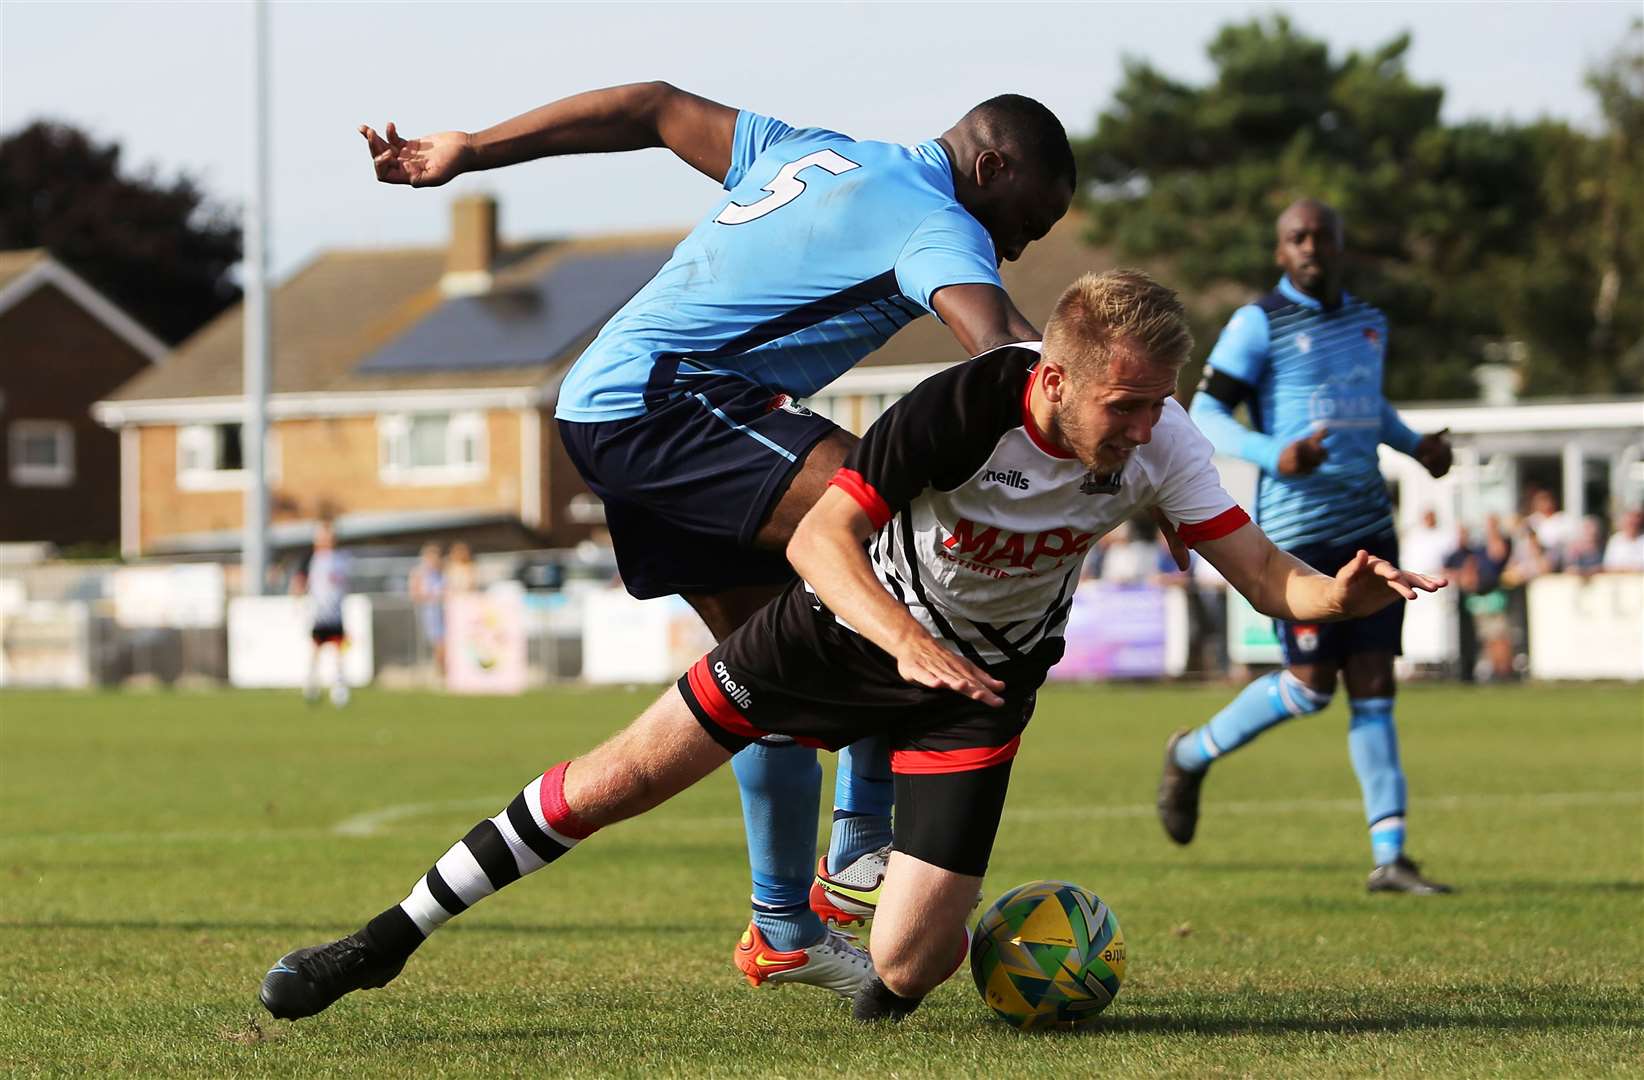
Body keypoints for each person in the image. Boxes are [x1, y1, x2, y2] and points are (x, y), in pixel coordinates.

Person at [258, 270, 1445, 1025]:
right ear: (1055, 379)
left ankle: (851, 942)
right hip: (835, 632)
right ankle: (379, 943)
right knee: (620, 777)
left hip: (974, 696)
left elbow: (1261, 573)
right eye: (1122, 407)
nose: (1142, 431)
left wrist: (1333, 596)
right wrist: (901, 641)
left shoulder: (1165, 443)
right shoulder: (963, 405)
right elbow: (826, 544)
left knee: (911, 968)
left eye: (1156, 405)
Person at [358, 83, 1092, 989]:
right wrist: (1133, 445)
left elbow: (653, 107)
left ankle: (783, 929)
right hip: (671, 403)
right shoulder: (940, 223)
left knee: (769, 670)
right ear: (991, 168)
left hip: (606, 402)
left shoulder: (810, 149)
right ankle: (864, 836)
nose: (1022, 244)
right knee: (901, 539)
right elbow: (1009, 350)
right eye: (1034, 217)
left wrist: (472, 145)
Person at [1167, 198, 1456, 894]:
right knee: (1310, 687)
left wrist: (1416, 445)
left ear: (1341, 243)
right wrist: (1273, 454)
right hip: (1298, 533)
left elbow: (1367, 406)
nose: (1311, 245)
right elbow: (1205, 410)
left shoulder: (1368, 322)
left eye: (1322, 234)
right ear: (1280, 252)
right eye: (1297, 237)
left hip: (1369, 524)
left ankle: (1390, 856)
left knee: (1376, 685)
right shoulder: (1258, 323)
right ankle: (1192, 752)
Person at [297, 521, 353, 708]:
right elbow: (299, 582)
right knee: (316, 650)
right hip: (318, 614)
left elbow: (343, 585)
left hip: (335, 614)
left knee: (339, 652)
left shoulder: (340, 559)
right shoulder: (310, 559)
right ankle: (312, 684)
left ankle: (339, 688)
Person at [408, 544, 447, 679]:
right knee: (439, 644)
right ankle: (441, 674)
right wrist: (434, 597)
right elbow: (415, 594)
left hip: (445, 613)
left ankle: (443, 673)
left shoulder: (442, 572)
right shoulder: (419, 574)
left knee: (444, 643)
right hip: (431, 614)